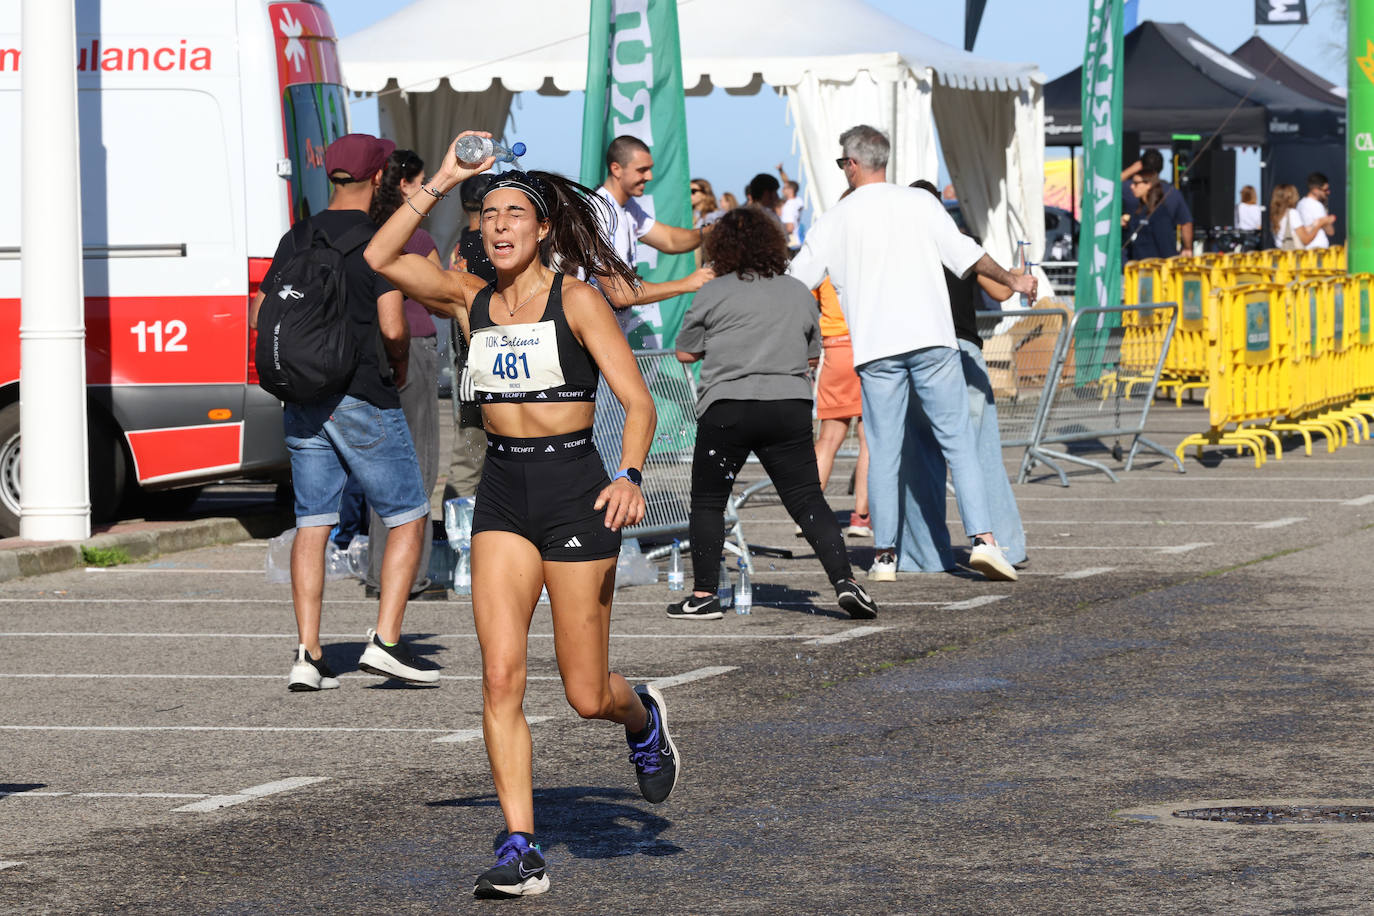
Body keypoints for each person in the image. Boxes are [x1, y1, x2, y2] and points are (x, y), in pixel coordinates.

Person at [364, 133, 678, 900]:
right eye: (491, 215)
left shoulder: (577, 299)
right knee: (500, 677)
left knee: (584, 693)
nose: (501, 225)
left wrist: (631, 474)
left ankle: (640, 720)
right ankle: (520, 845)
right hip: (504, 497)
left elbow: (637, 403)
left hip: (577, 490)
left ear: (542, 229)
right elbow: (380, 257)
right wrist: (441, 179)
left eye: (516, 214)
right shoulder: (467, 299)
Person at [787, 124, 1034, 583]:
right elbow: (968, 254)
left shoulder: (838, 216)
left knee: (883, 450)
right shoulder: (921, 204)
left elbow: (796, 281)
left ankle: (885, 554)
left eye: (843, 163)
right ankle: (984, 540)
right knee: (959, 443)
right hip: (934, 341)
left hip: (877, 347)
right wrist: (1016, 280)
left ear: (854, 164)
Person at [249, 133, 439, 691]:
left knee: (313, 521)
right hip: (359, 389)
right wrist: (399, 367)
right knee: (407, 511)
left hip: (302, 395)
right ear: (379, 177)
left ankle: (308, 653)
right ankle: (384, 642)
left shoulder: (296, 237)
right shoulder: (378, 239)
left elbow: (263, 311)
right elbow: (392, 324)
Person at [671, 206, 880, 622]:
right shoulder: (797, 291)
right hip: (788, 406)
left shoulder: (714, 291)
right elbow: (813, 354)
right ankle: (845, 582)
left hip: (727, 406)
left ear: (722, 247)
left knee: (710, 500)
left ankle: (704, 595)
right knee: (805, 498)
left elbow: (685, 351)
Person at [902, 180, 1027, 573]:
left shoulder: (902, 249)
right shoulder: (962, 241)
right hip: (966, 351)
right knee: (980, 453)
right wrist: (1017, 273)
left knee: (920, 455)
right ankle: (1003, 543)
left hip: (920, 350)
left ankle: (924, 556)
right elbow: (1002, 294)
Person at [361, 148, 446, 601]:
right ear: (407, 185)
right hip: (411, 346)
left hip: (369, 352)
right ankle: (409, 577)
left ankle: (379, 573)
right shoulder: (416, 238)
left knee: (382, 469)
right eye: (422, 181)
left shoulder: (367, 233)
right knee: (419, 465)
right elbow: (438, 296)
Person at [592, 135, 713, 312]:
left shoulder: (628, 206)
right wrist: (686, 284)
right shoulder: (600, 211)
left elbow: (670, 240)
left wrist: (714, 230)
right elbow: (620, 293)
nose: (649, 176)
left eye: (650, 169)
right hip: (588, 334)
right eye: (642, 170)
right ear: (616, 169)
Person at [443, 173, 496, 503]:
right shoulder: (490, 247)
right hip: (483, 362)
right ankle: (455, 532)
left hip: (468, 361)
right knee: (472, 452)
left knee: (471, 451)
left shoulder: (460, 244)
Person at [811, 276, 870, 539]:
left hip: (835, 347)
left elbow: (806, 302)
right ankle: (861, 517)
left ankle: (808, 513)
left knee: (828, 438)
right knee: (870, 440)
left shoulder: (824, 264)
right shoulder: (872, 251)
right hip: (870, 346)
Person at [1121, 149, 1193, 256]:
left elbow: (1111, 184)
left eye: (1135, 183)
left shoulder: (1130, 190)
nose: (1133, 186)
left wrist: (1133, 168)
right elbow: (1186, 223)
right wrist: (1187, 248)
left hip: (1144, 257)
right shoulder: (1173, 193)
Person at [1122, 172, 1177, 261]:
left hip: (1154, 269)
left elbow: (1167, 248)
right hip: (1135, 268)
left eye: (1136, 183)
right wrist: (1125, 228)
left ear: (1148, 185)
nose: (1132, 186)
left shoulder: (1160, 213)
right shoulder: (1136, 211)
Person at [1295, 171, 1337, 250]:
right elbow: (1330, 231)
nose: (1328, 192)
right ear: (1315, 190)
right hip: (1318, 251)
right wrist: (1327, 220)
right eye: (1325, 190)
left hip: (1307, 250)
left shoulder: (1300, 204)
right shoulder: (1316, 205)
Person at [1269, 183, 1313, 250]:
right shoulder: (1292, 213)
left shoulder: (1275, 216)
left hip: (1281, 255)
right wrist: (1319, 225)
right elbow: (1305, 240)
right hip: (1293, 255)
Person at [776, 163, 804, 252]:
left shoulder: (789, 206)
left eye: (784, 188)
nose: (782, 190)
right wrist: (781, 171)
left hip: (791, 244)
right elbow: (787, 182)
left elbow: (789, 227)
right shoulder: (797, 201)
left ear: (791, 190)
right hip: (796, 243)